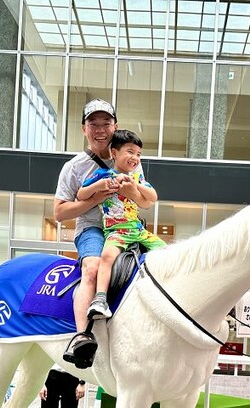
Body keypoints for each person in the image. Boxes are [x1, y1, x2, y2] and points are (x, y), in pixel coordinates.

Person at [54, 99, 145, 367]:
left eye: (106, 123)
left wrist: (133, 193)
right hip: (92, 228)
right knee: (92, 269)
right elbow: (59, 213)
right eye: (93, 123)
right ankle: (82, 335)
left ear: (115, 126)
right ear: (84, 129)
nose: (100, 129)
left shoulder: (131, 160)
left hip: (126, 228)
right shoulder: (74, 167)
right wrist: (96, 198)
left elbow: (142, 199)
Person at [77, 129, 163, 319]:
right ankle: (100, 299)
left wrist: (134, 185)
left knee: (166, 252)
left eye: (139, 154)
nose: (135, 157)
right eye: (130, 152)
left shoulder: (138, 178)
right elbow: (81, 194)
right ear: (114, 153)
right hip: (116, 231)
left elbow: (152, 197)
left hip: (138, 231)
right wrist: (100, 185)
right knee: (107, 257)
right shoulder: (103, 174)